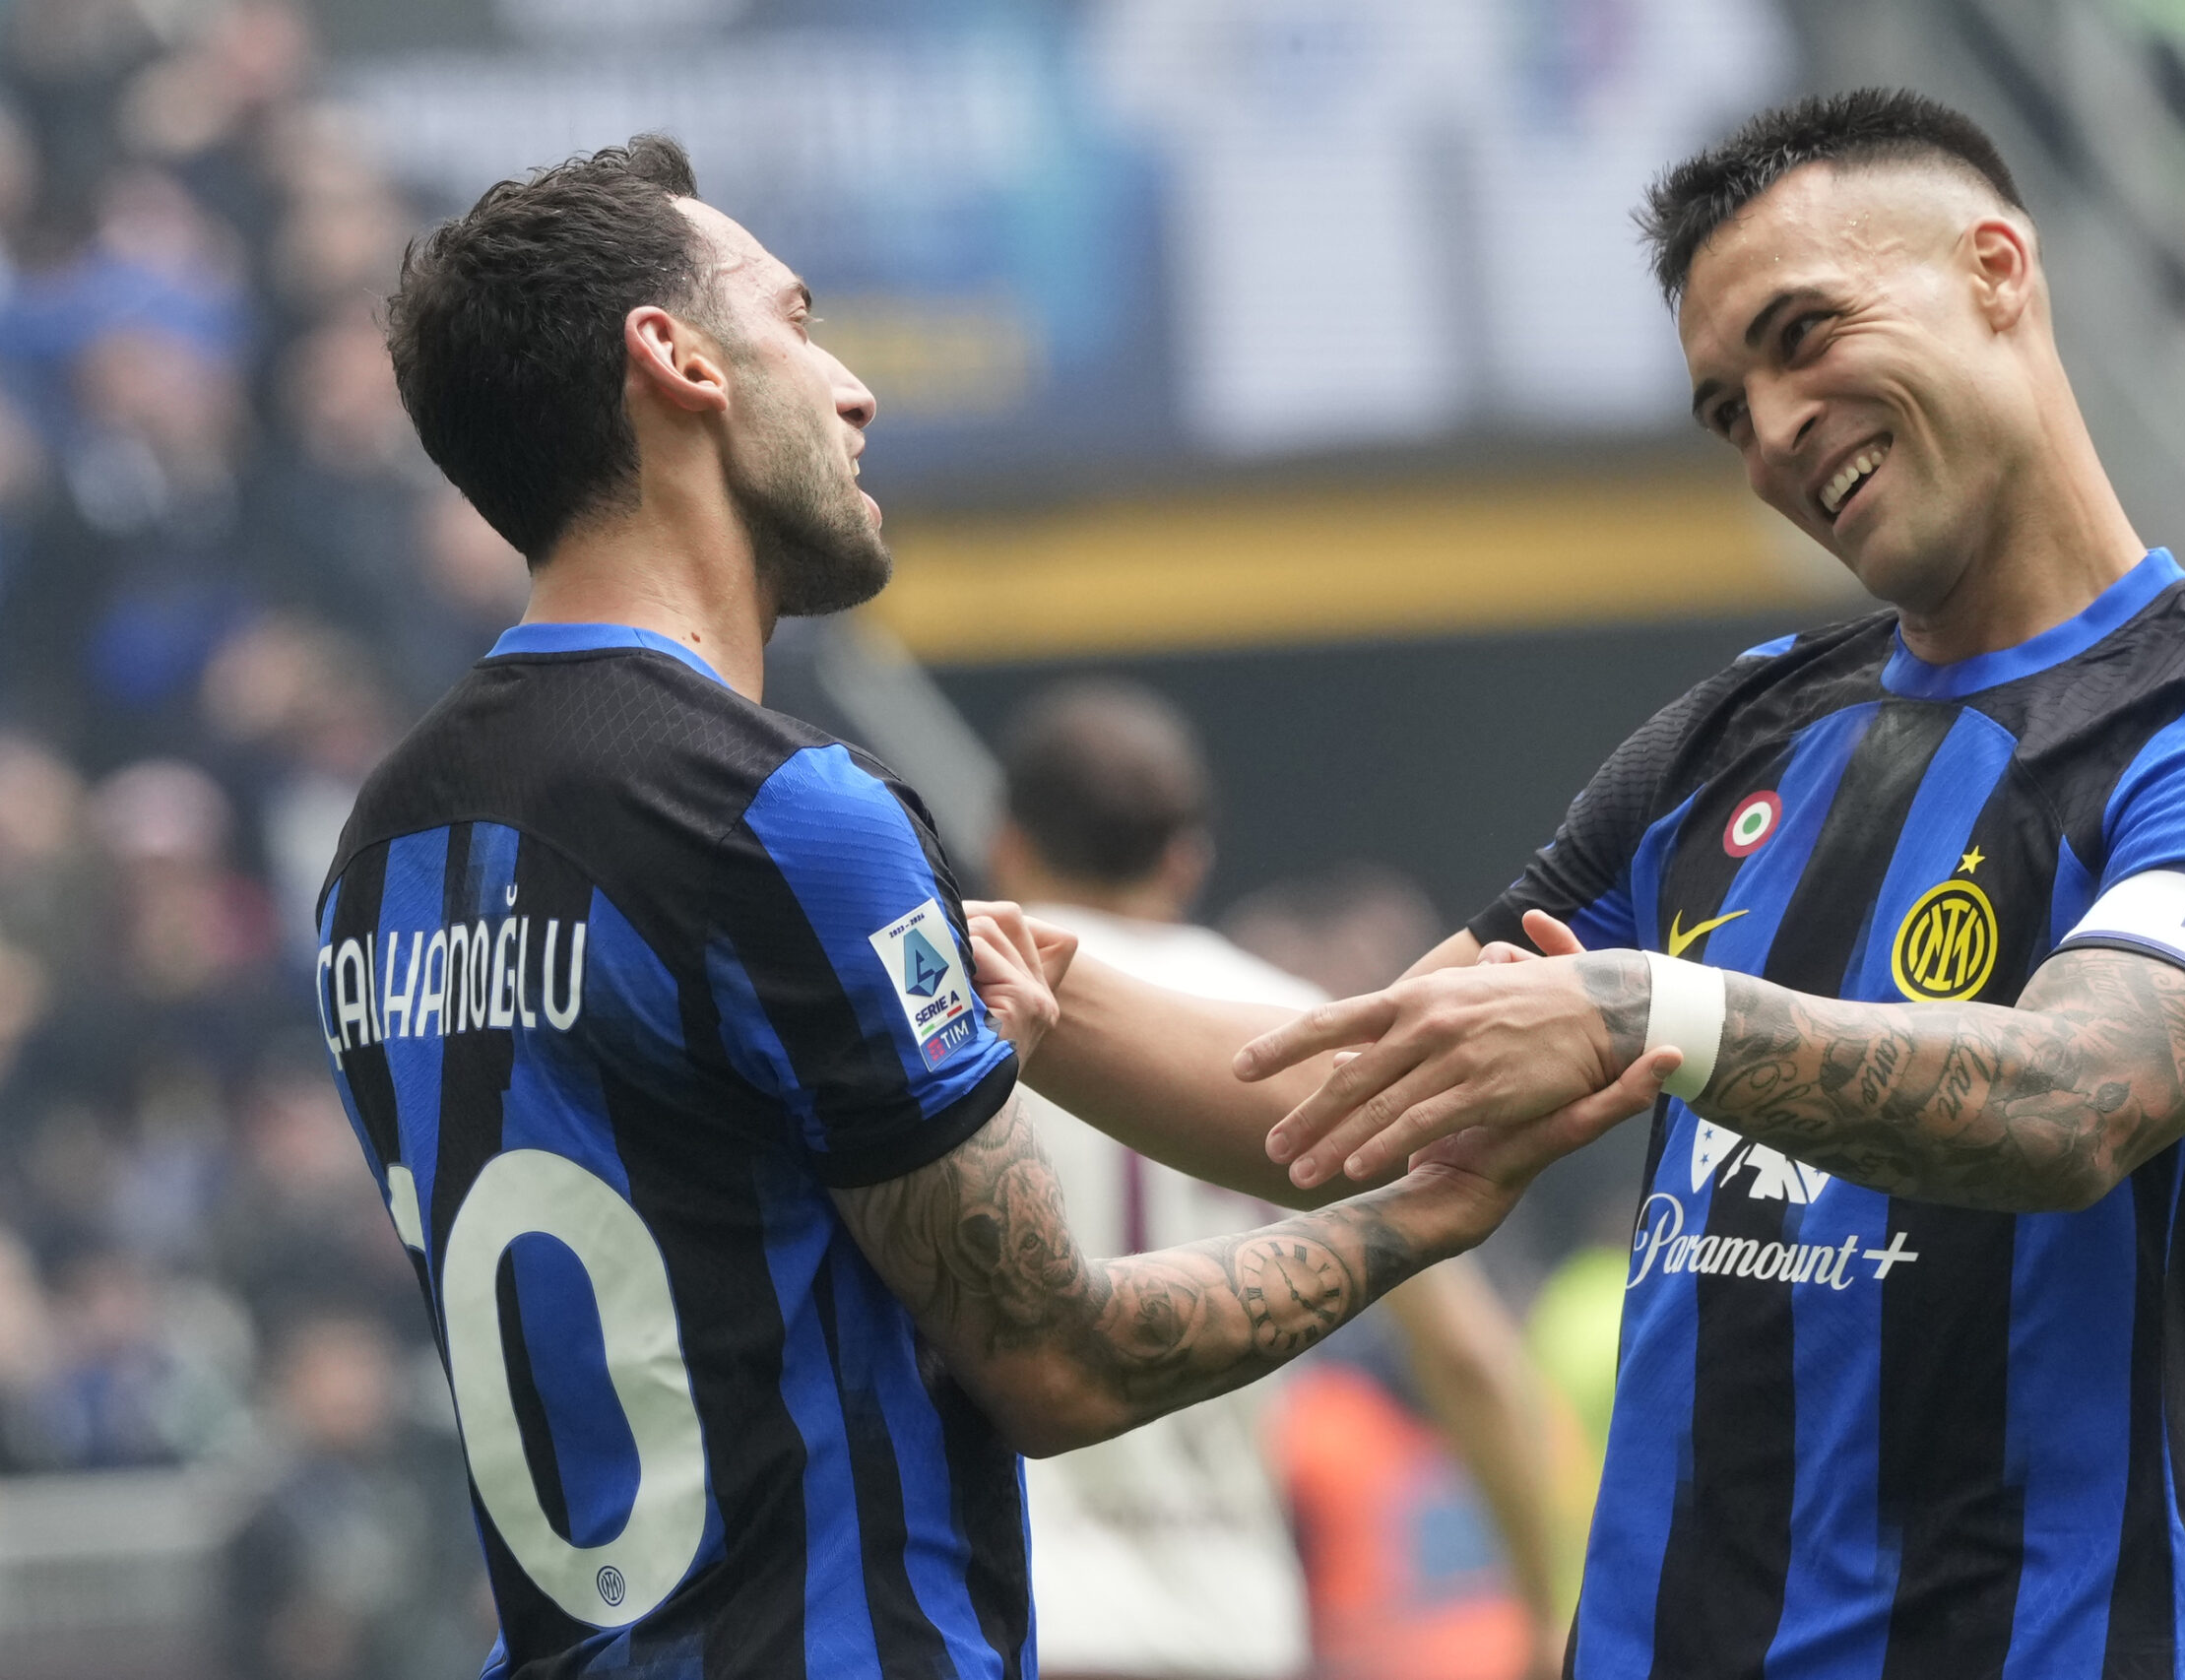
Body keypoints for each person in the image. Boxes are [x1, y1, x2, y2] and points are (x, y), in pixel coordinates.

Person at [1019, 91, 2185, 1678]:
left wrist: (1650, 1010)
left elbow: (2082, 1094)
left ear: (1998, 271)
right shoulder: (1735, 734)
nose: (1779, 429)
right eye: (1728, 408)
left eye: (1805, 335)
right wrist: (995, 988)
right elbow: (1334, 1104)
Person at [314, 136, 1665, 1677]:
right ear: (675, 357)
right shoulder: (775, 810)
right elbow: (1060, 1365)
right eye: (799, 319)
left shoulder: (384, 847)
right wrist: (1420, 1219)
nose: (852, 388)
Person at [990, 678, 1563, 1680]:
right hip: (1231, 1619)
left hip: (1011, 1606)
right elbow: (1467, 1352)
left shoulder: (959, 1012)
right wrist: (1548, 1599)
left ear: (1008, 848)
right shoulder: (1289, 1021)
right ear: (1186, 857)